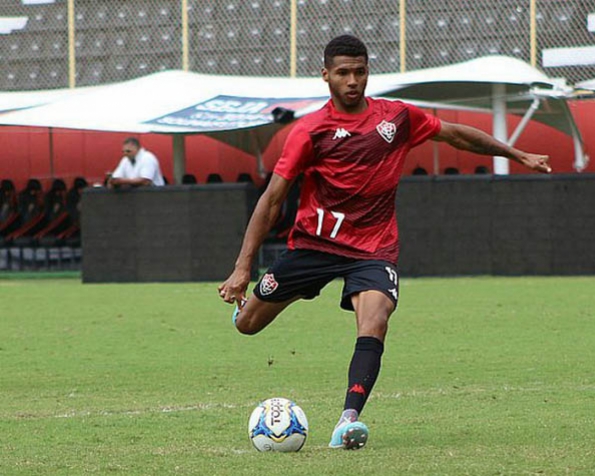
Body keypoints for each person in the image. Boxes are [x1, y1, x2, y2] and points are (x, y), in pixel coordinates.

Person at [217, 35, 551, 450]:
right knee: (248, 325)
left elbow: (457, 136)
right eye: (343, 73)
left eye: (359, 72)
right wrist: (242, 268)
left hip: (372, 249)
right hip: (313, 247)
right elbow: (272, 199)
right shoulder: (309, 132)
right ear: (326, 76)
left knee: (375, 320)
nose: (352, 81)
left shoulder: (396, 118)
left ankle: (348, 420)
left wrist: (517, 155)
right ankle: (249, 310)